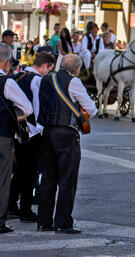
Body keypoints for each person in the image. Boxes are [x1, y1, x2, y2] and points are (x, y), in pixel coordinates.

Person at [37, 54, 97, 233]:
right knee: (67, 179)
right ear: (77, 69)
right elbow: (91, 110)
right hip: (66, 133)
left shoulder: (45, 80)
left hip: (47, 132)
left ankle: (43, 221)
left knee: (48, 178)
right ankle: (63, 222)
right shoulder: (74, 82)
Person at [8, 52, 56, 223]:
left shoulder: (17, 75)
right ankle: (25, 210)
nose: (49, 73)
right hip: (31, 130)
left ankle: (11, 204)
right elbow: (36, 106)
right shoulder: (36, 80)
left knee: (20, 170)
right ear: (45, 66)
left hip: (16, 128)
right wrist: (41, 128)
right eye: (49, 70)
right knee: (30, 172)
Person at [0, 43, 33, 234]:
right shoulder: (8, 83)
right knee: (3, 179)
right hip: (3, 135)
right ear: (6, 61)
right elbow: (27, 108)